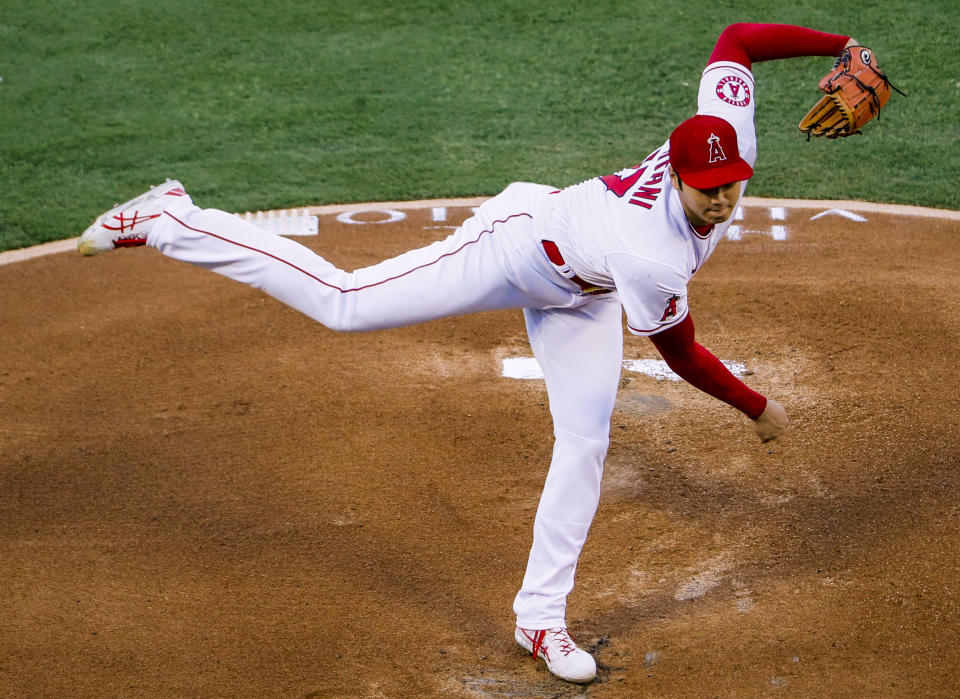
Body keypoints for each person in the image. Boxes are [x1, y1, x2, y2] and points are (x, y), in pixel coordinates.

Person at [78, 23, 860, 684]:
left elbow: (738, 42)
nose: (722, 199)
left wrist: (842, 42)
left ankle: (540, 620)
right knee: (347, 305)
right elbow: (680, 350)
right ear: (679, 178)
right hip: (517, 248)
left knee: (585, 440)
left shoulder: (724, 148)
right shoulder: (650, 249)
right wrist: (758, 407)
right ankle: (175, 218)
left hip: (581, 290)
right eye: (707, 189)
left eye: (731, 183)